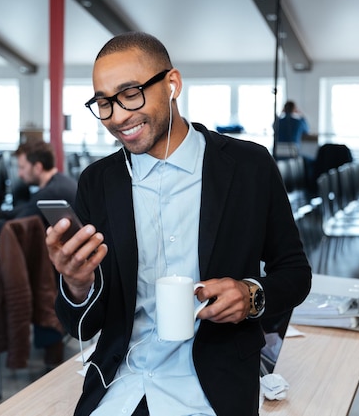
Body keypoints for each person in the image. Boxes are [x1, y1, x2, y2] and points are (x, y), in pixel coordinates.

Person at [44, 32, 312, 416]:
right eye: (103, 103)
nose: (117, 116)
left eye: (130, 93)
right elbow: (82, 327)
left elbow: (295, 273)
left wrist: (250, 295)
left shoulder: (249, 167)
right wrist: (76, 283)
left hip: (212, 387)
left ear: (172, 84)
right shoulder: (98, 182)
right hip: (121, 385)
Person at [0, 139, 77, 237]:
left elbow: (9, 228)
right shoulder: (58, 183)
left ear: (38, 168)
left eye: (22, 167)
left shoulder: (51, 193)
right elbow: (24, 209)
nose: (19, 174)